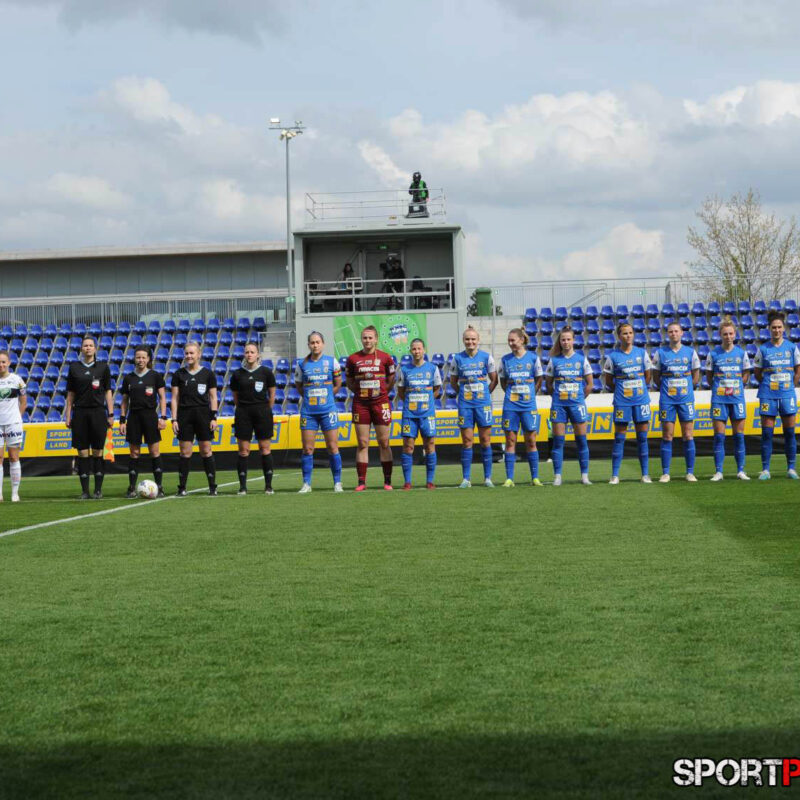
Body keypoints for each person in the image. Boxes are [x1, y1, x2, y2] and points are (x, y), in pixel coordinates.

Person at [346, 325, 396, 490]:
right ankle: (361, 482)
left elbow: (391, 380)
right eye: (364, 338)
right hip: (361, 404)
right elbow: (350, 382)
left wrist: (381, 393)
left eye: (370, 338)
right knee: (362, 442)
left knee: (384, 442)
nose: (367, 341)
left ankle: (387, 481)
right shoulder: (353, 359)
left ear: (376, 339)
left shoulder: (386, 358)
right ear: (361, 339)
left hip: (380, 403)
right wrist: (362, 393)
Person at [603, 322, 653, 484]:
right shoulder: (612, 357)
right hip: (622, 402)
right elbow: (609, 381)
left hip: (641, 401)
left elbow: (647, 377)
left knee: (642, 438)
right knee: (619, 438)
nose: (628, 336)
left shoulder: (642, 353)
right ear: (619, 336)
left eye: (630, 333)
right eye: (625, 333)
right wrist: (622, 391)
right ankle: (615, 475)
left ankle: (645, 474)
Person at [448, 326, 497, 488]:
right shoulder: (457, 358)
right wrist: (463, 394)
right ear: (463, 340)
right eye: (467, 339)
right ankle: (466, 479)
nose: (470, 342)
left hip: (483, 405)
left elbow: (494, 380)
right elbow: (453, 382)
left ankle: (487, 478)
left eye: (473, 339)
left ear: (478, 341)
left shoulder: (486, 358)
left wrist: (485, 394)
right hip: (465, 405)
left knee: (485, 440)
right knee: (467, 441)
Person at [753, 310, 800, 480]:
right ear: (769, 328)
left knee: (789, 433)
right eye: (774, 327)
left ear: (784, 328)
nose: (777, 330)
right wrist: (768, 386)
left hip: (787, 395)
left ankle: (791, 469)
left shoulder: (792, 348)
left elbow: (798, 370)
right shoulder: (763, 349)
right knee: (767, 433)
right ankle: (765, 470)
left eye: (779, 327)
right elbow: (757, 373)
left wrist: (790, 386)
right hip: (768, 395)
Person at [294, 331, 343, 493]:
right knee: (308, 449)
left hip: (328, 411)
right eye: (312, 342)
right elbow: (299, 386)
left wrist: (327, 396)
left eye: (318, 342)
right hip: (309, 412)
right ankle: (306, 483)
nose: (315, 345)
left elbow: (338, 384)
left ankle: (337, 482)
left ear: (323, 344)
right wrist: (311, 397)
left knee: (332, 446)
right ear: (308, 345)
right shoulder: (302, 364)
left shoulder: (332, 362)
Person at [65, 335, 113, 499]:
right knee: (82, 453)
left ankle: (98, 490)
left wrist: (111, 413)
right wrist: (68, 414)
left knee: (98, 452)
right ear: (81, 349)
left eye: (90, 345)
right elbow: (70, 394)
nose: (88, 348)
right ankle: (85, 491)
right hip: (80, 413)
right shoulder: (74, 368)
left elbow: (108, 391)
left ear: (95, 348)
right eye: (85, 345)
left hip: (98, 413)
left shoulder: (103, 367)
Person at [651, 321, 701, 482]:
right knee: (667, 435)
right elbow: (656, 377)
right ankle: (665, 473)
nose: (673, 334)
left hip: (686, 399)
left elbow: (696, 375)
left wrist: (686, 388)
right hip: (667, 400)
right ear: (668, 334)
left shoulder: (690, 352)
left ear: (682, 333)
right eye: (670, 331)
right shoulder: (660, 353)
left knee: (688, 434)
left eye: (676, 331)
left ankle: (690, 472)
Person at [544, 326, 593, 486]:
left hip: (577, 405)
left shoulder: (581, 359)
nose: (566, 342)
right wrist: (559, 397)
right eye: (563, 339)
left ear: (573, 340)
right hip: (559, 406)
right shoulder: (554, 360)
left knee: (581, 441)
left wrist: (578, 398)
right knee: (558, 441)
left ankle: (584, 476)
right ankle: (557, 476)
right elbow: (549, 385)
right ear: (560, 341)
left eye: (568, 339)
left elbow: (590, 384)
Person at [705, 319, 751, 481]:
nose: (728, 336)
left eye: (731, 333)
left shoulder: (741, 353)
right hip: (719, 400)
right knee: (719, 436)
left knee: (739, 435)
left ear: (735, 334)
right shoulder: (713, 354)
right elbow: (709, 378)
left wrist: (737, 386)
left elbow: (746, 375)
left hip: (737, 399)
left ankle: (741, 470)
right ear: (720, 335)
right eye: (725, 334)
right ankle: (719, 471)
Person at [171, 341, 219, 496]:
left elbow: (213, 397)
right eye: (187, 353)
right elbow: (174, 398)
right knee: (185, 452)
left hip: (203, 416)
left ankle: (212, 487)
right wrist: (174, 419)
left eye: (192, 353)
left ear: (199, 354)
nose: (189, 356)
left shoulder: (208, 374)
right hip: (185, 417)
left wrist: (214, 417)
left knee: (206, 450)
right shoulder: (179, 374)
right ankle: (182, 487)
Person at [498, 328, 544, 487]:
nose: (510, 343)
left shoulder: (533, 358)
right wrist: (513, 394)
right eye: (509, 341)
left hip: (528, 406)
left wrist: (530, 393)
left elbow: (539, 379)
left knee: (531, 440)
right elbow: (503, 382)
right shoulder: (505, 360)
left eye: (513, 340)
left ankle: (535, 477)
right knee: (510, 440)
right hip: (510, 406)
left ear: (521, 340)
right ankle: (509, 478)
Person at [119, 346, 167, 498]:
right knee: (134, 452)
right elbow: (125, 401)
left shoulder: (155, 376)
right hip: (134, 417)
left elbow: (163, 398)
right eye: (138, 357)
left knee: (154, 451)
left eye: (143, 357)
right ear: (134, 358)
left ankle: (159, 487)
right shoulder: (129, 378)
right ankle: (132, 487)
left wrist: (163, 417)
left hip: (150, 416)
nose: (140, 360)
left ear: (148, 359)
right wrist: (122, 420)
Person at [231, 342, 277, 495]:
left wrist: (265, 409)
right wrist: (244, 408)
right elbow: (235, 397)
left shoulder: (266, 372)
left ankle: (268, 486)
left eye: (252, 352)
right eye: (247, 352)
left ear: (258, 355)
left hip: (262, 413)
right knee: (243, 451)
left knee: (265, 449)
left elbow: (272, 395)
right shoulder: (237, 374)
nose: (249, 354)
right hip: (243, 413)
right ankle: (243, 487)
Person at [396, 338, 441, 490]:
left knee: (430, 445)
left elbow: (437, 389)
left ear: (424, 350)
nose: (416, 351)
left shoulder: (433, 369)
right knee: (408, 446)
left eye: (419, 349)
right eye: (414, 349)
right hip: (410, 414)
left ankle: (430, 480)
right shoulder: (404, 370)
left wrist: (427, 400)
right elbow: (401, 392)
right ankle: (407, 482)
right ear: (410, 351)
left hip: (427, 414)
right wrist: (412, 402)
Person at [0, 350, 26, 502]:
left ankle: (15, 493)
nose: (1, 364)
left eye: (3, 361)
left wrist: (17, 419)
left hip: (13, 424)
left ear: (8, 363)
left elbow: (24, 402)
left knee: (13, 457)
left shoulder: (17, 380)